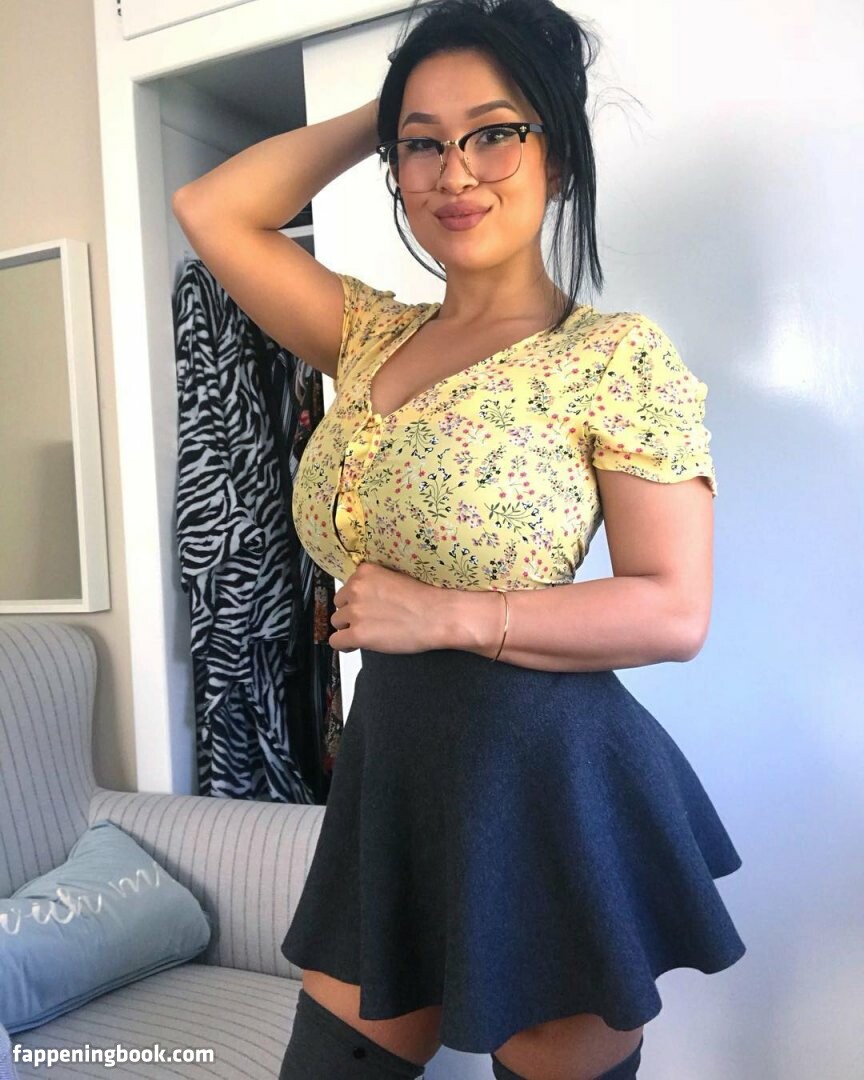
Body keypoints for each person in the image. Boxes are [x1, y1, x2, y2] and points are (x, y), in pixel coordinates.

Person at [172, 1, 747, 1077]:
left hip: (545, 785)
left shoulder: (612, 357)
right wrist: (390, 110)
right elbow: (211, 209)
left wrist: (441, 615)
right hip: (391, 779)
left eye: (495, 133)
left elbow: (674, 608)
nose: (455, 173)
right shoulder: (368, 334)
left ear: (557, 154)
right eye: (424, 146)